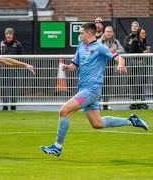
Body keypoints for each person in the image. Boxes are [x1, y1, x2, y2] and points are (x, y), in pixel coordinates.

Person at [40, 22, 148, 157]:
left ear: (89, 34)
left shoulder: (100, 47)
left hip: (92, 89)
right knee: (97, 123)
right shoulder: (80, 47)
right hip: (84, 88)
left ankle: (57, 146)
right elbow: (75, 65)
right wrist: (68, 67)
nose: (79, 35)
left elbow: (119, 57)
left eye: (81, 33)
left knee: (64, 111)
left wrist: (120, 65)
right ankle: (130, 121)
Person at [97, 26, 125, 110]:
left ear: (113, 33)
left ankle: (105, 105)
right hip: (100, 67)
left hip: (110, 67)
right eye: (107, 31)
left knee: (108, 86)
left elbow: (122, 50)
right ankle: (97, 104)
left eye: (110, 32)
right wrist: (109, 51)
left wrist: (114, 51)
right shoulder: (99, 41)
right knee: (99, 86)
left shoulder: (116, 41)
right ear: (104, 32)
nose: (108, 33)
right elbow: (98, 51)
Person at [0, 27, 24, 111]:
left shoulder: (18, 44)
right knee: (4, 87)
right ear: (5, 35)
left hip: (14, 69)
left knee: (14, 87)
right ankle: (5, 106)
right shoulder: (1, 44)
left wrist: (18, 66)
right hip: (4, 69)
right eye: (7, 34)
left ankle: (13, 106)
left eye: (10, 34)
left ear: (12, 35)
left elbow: (21, 56)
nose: (8, 35)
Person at [128, 27, 150, 110]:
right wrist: (142, 52)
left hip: (143, 66)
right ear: (138, 34)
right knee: (133, 83)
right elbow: (131, 53)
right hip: (135, 66)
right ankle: (133, 102)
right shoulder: (135, 42)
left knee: (143, 82)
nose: (144, 34)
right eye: (142, 33)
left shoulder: (145, 43)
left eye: (145, 33)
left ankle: (142, 102)